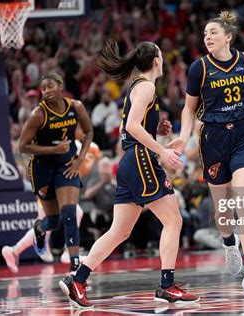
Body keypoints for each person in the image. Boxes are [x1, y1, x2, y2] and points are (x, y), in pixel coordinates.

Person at [59, 41, 199, 308]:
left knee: (120, 231)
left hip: (130, 161)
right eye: (161, 55)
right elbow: (133, 127)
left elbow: (133, 128)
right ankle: (167, 285)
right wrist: (162, 151)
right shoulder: (145, 86)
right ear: (157, 60)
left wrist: (158, 134)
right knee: (174, 221)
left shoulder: (138, 86)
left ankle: (77, 279)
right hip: (141, 161)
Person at [168, 11, 244, 297]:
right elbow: (188, 107)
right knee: (223, 209)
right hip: (213, 138)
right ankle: (228, 243)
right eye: (205, 34)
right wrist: (183, 138)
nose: (207, 37)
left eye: (213, 33)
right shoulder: (199, 68)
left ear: (228, 37)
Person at [19, 72, 93, 272]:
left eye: (49, 86)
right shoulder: (38, 114)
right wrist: (53, 149)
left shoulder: (76, 107)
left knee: (69, 212)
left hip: (66, 164)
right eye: (43, 89)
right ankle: (40, 229)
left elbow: (89, 132)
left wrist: (80, 159)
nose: (46, 91)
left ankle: (75, 263)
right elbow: (23, 146)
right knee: (53, 220)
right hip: (42, 167)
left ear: (60, 86)